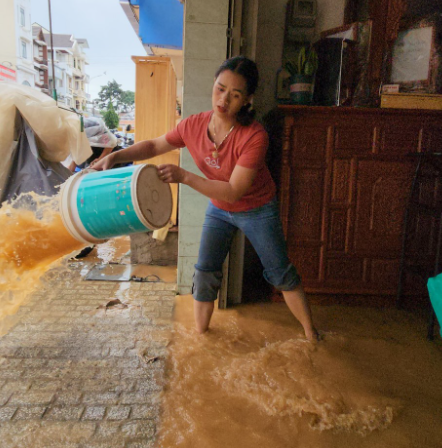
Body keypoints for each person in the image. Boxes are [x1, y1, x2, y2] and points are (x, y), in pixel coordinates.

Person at [92, 56, 319, 341]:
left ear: (248, 99)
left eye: (235, 95)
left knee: (279, 272)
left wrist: (184, 176)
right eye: (220, 89)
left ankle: (312, 335)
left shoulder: (254, 136)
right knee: (205, 270)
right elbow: (153, 145)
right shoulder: (193, 126)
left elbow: (234, 190)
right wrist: (115, 156)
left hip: (257, 208)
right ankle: (202, 338)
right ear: (214, 84)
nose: (224, 100)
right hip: (220, 209)